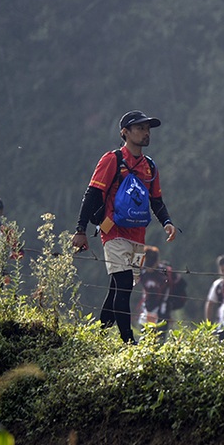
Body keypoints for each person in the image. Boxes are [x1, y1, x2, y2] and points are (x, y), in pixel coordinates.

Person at [72, 110, 177, 344]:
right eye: (139, 128)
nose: (146, 132)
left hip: (138, 235)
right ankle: (129, 343)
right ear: (125, 132)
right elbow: (92, 194)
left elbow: (156, 201)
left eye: (147, 128)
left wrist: (167, 223)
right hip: (113, 232)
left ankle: (98, 337)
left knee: (119, 287)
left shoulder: (150, 166)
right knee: (124, 287)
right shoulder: (112, 159)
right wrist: (80, 230)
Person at [137, 246, 187, 340]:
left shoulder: (165, 273)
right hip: (147, 311)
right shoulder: (142, 272)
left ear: (156, 261)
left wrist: (171, 305)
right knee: (144, 339)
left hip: (163, 312)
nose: (148, 267)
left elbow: (181, 286)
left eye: (150, 264)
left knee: (159, 339)